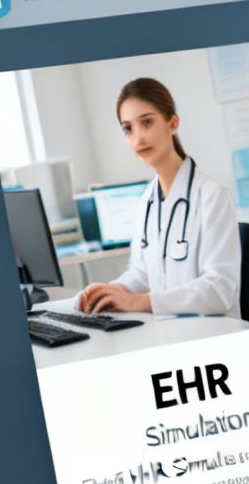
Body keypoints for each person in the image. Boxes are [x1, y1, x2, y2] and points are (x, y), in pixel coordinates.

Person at [77, 78, 240, 317]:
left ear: (172, 123)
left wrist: (139, 301)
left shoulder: (212, 195)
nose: (137, 138)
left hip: (212, 332)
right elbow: (142, 270)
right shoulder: (147, 201)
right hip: (167, 329)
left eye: (147, 122)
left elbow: (219, 291)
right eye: (128, 128)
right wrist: (113, 290)